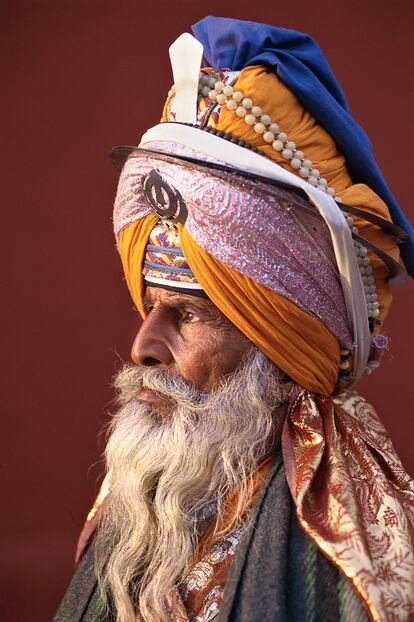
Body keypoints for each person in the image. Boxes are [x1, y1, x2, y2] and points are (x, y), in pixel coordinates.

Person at [54, 16, 414, 622]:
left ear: (278, 352)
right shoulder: (147, 507)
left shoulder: (352, 564)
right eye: (149, 307)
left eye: (189, 314)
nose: (144, 345)